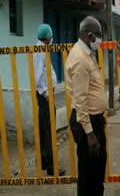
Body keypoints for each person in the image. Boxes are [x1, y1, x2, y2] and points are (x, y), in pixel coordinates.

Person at [65, 16, 107, 196]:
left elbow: (89, 93)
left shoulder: (86, 54)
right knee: (90, 173)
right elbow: (81, 101)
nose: (99, 40)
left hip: (92, 119)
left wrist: (99, 115)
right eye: (97, 36)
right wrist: (90, 133)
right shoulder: (81, 59)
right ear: (88, 35)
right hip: (86, 123)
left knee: (95, 170)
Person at [33, 24, 65, 176]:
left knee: (43, 128)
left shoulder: (42, 49)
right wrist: (46, 93)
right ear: (46, 38)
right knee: (48, 130)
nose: (52, 39)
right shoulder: (40, 51)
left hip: (44, 94)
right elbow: (38, 75)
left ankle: (44, 161)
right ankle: (51, 165)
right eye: (51, 37)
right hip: (44, 94)